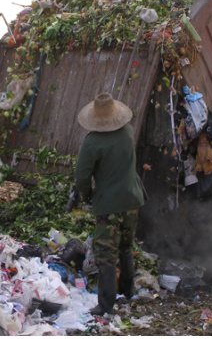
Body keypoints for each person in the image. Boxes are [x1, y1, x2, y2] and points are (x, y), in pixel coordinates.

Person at [74, 93, 147, 316]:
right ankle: (128, 289)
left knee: (106, 254)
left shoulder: (92, 142)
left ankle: (106, 305)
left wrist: (85, 196)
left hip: (109, 206)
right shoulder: (128, 131)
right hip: (132, 199)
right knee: (126, 246)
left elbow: (82, 177)